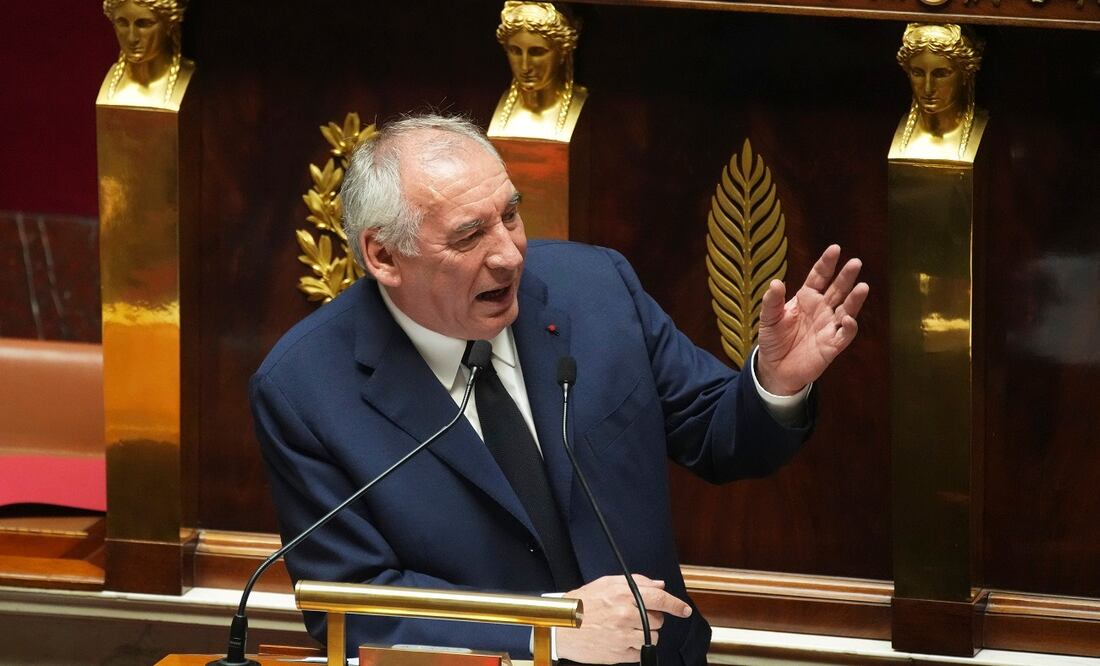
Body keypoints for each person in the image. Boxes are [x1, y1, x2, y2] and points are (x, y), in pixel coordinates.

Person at [252, 114, 868, 664]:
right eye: (469, 236)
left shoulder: (595, 287)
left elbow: (716, 434)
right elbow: (352, 605)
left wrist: (774, 383)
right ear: (384, 256)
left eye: (511, 215)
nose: (509, 255)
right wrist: (545, 628)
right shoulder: (306, 389)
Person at [487, 2, 588, 140]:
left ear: (563, 51)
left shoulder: (581, 104)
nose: (525, 67)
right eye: (515, 51)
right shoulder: (499, 105)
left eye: (537, 52)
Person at [894, 23, 985, 161]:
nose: (928, 88)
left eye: (941, 74)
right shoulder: (893, 132)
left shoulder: (986, 133)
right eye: (917, 73)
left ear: (965, 74)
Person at [99, 0, 195, 109]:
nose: (132, 38)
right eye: (122, 23)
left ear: (170, 25)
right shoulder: (110, 87)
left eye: (144, 24)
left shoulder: (188, 77)